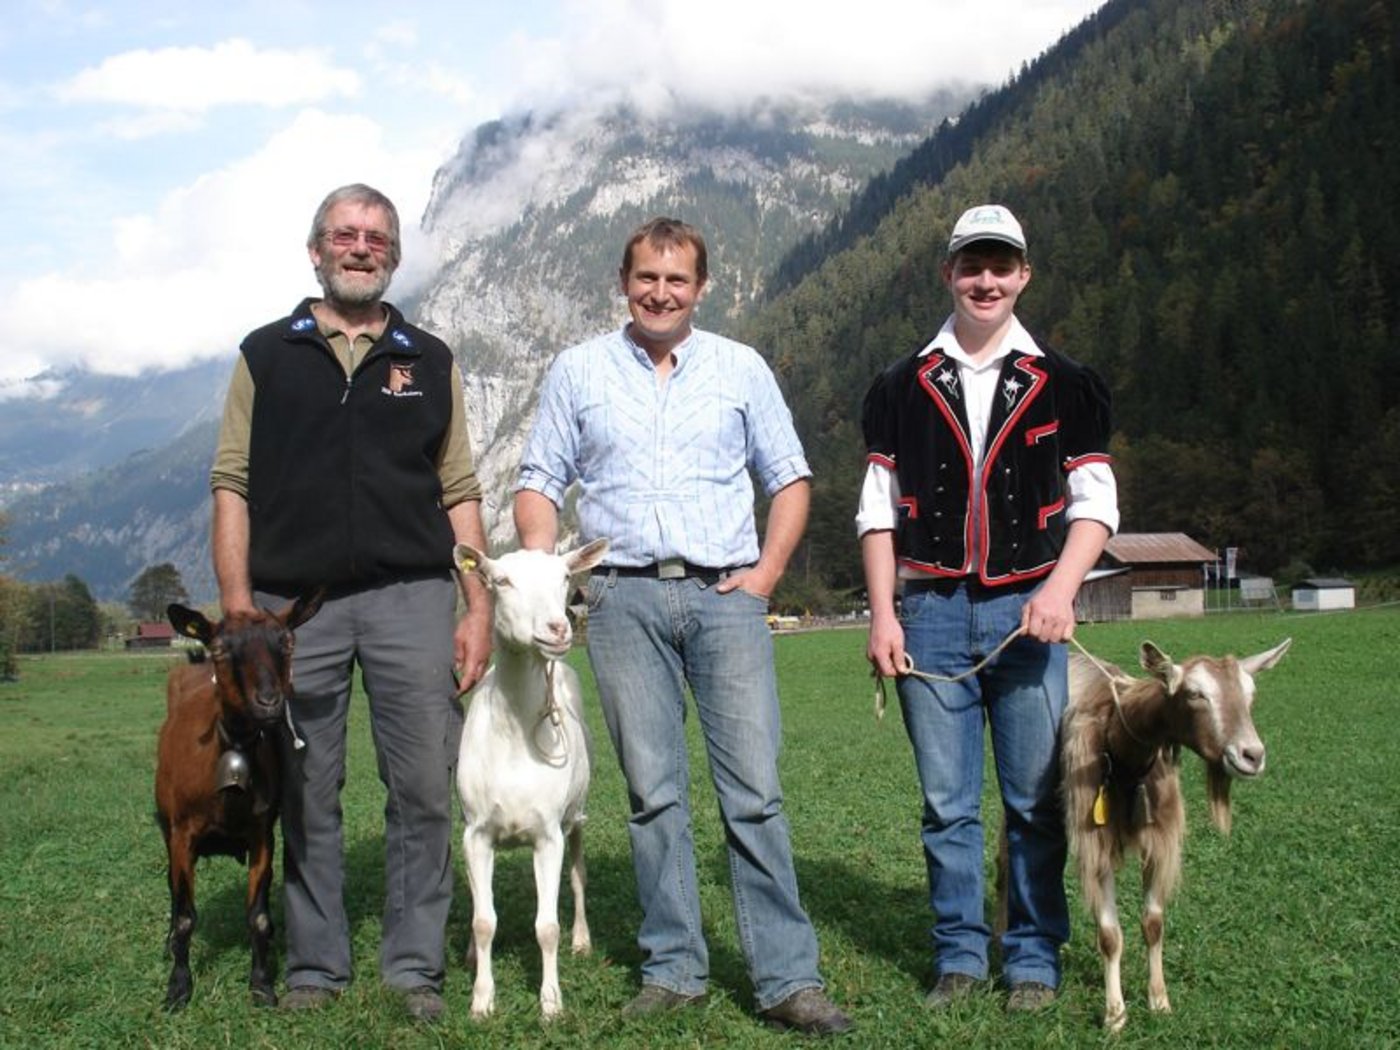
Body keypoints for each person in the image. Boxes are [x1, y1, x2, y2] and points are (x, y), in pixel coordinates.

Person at [514, 217, 852, 1037]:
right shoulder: (579, 370)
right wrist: (543, 579)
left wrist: (765, 577)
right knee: (652, 793)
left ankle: (786, 978)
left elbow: (790, 478)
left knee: (755, 793)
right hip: (621, 599)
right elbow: (538, 481)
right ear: (623, 283)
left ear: (701, 288)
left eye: (676, 280)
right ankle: (673, 969)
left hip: (724, 597)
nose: (660, 293)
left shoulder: (741, 368)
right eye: (646, 278)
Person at [209, 183, 492, 1023]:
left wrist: (476, 605)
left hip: (413, 597)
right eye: (345, 234)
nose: (360, 248)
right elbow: (231, 483)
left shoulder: (429, 358)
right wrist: (239, 609)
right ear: (316, 251)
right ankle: (315, 965)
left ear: (393, 256)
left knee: (424, 787)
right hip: (295, 612)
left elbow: (460, 488)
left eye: (376, 237)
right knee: (304, 786)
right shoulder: (265, 355)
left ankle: (414, 968)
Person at [857, 204, 1118, 1012]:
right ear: (949, 273)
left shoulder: (1066, 383)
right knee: (946, 806)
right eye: (972, 265)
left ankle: (1033, 958)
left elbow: (1097, 504)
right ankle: (961, 957)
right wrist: (883, 614)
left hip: (1027, 614)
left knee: (1034, 802)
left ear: (1023, 275)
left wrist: (1060, 589)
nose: (985, 281)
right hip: (929, 615)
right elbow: (876, 512)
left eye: (1001, 265)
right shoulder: (898, 386)